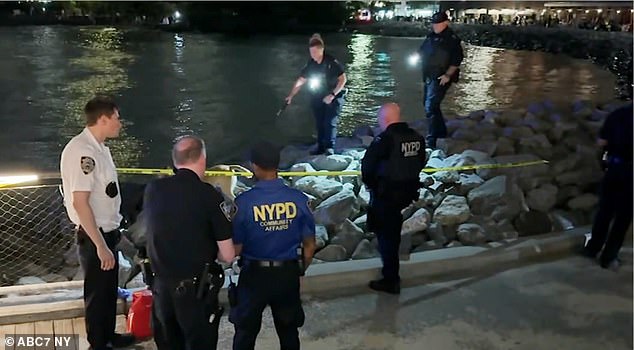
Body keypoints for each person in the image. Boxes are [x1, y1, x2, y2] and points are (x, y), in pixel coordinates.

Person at [144, 135, 236, 350]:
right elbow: (228, 255)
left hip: (161, 290)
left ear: (175, 160)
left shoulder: (153, 190)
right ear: (202, 158)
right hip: (194, 293)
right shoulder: (209, 196)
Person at [59, 96, 135, 350]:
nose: (119, 124)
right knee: (96, 293)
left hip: (108, 230)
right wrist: (100, 245)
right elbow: (81, 203)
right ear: (103, 119)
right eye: (116, 118)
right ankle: (98, 343)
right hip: (95, 234)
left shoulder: (100, 148)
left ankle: (108, 335)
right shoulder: (83, 152)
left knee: (107, 290)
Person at [229, 141, 317, 350]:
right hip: (286, 274)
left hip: (254, 277)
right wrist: (301, 268)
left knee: (245, 333)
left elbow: (236, 249)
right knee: (288, 332)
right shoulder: (299, 200)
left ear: (255, 166)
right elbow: (310, 246)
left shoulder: (244, 203)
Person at [361, 103, 426, 294]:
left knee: (386, 236)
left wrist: (373, 186)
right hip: (406, 193)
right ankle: (391, 272)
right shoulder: (416, 137)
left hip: (386, 195)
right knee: (393, 231)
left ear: (385, 119)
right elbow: (420, 161)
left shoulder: (384, 139)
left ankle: (391, 279)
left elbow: (368, 167)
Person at [582, 102, 633, 270]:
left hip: (613, 168)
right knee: (623, 218)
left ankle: (592, 248)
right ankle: (609, 257)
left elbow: (601, 142)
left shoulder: (617, 114)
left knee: (604, 211)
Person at [285, 33, 347, 156]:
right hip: (318, 95)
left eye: (314, 52)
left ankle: (329, 147)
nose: (312, 55)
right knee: (319, 122)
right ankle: (320, 146)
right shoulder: (311, 64)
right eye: (311, 52)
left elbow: (343, 79)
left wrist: (333, 94)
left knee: (329, 122)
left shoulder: (331, 62)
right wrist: (291, 96)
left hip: (333, 95)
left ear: (321, 50)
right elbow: (300, 81)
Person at [418, 11, 464, 149]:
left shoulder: (451, 39)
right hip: (429, 75)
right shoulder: (431, 36)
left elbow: (457, 59)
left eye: (438, 23)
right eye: (434, 23)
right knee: (429, 104)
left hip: (442, 76)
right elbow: (423, 50)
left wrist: (448, 75)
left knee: (430, 105)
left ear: (445, 23)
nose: (435, 26)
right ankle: (441, 131)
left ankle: (432, 138)